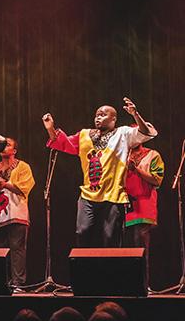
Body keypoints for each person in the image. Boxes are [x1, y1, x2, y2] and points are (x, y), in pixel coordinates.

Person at [42, 97, 157, 247]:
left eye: (103, 115)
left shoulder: (123, 134)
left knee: (110, 238)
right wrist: (50, 128)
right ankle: (86, 269)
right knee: (82, 231)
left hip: (113, 196)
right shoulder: (84, 135)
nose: (98, 118)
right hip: (88, 195)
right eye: (97, 115)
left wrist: (135, 114)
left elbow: (147, 132)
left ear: (113, 119)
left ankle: (109, 269)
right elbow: (63, 144)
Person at [0, 137, 35, 290]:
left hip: (17, 212)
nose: (4, 147)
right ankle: (1, 282)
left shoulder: (23, 166)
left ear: (14, 151)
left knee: (17, 247)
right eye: (2, 144)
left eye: (7, 145)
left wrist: (5, 184)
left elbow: (25, 188)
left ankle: (18, 283)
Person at [124, 139, 164, 286]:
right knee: (122, 247)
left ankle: (141, 286)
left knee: (139, 246)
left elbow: (157, 180)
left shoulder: (153, 155)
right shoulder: (122, 154)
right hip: (123, 204)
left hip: (143, 205)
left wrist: (136, 170)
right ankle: (123, 285)